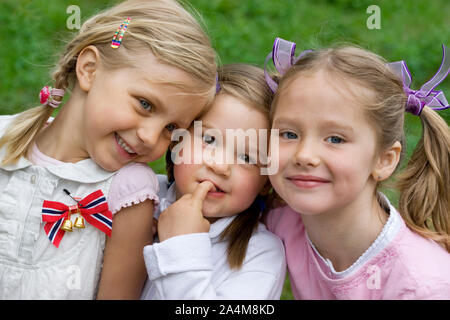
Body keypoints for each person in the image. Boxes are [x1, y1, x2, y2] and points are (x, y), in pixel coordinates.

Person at [0, 0, 217, 299]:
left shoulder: (128, 192)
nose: (150, 137)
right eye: (145, 104)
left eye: (171, 128)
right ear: (89, 69)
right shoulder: (4, 139)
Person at [264, 38, 450, 299]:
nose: (304, 155)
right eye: (289, 134)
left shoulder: (421, 287)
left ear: (384, 160)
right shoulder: (282, 219)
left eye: (336, 139)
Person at [140, 64, 286, 299]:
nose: (220, 166)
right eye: (209, 139)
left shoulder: (260, 254)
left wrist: (181, 244)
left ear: (268, 182)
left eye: (247, 158)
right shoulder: (140, 195)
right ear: (178, 140)